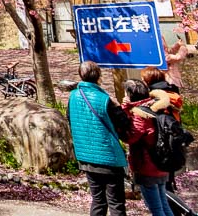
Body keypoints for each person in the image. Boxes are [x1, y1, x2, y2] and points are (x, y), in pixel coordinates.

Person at [68, 60, 131, 216]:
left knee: (98, 200)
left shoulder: (73, 96)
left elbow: (70, 119)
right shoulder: (104, 99)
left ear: (80, 75)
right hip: (108, 157)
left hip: (86, 157)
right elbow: (124, 123)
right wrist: (122, 107)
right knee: (116, 203)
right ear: (99, 76)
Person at [122, 80, 174, 216]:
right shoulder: (156, 105)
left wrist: (124, 108)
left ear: (130, 95)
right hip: (161, 163)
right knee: (163, 203)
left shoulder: (140, 115)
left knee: (156, 209)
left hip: (147, 166)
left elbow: (130, 137)